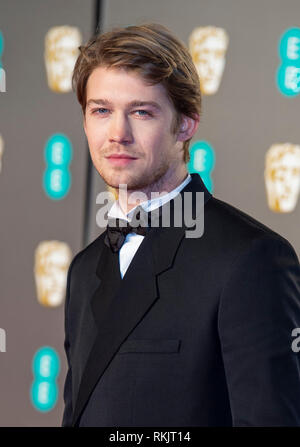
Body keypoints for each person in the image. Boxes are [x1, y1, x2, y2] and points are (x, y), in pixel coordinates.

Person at [62, 23, 300, 427]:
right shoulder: (84, 269)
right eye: (101, 110)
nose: (117, 134)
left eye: (141, 112)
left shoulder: (249, 259)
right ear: (85, 122)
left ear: (186, 124)